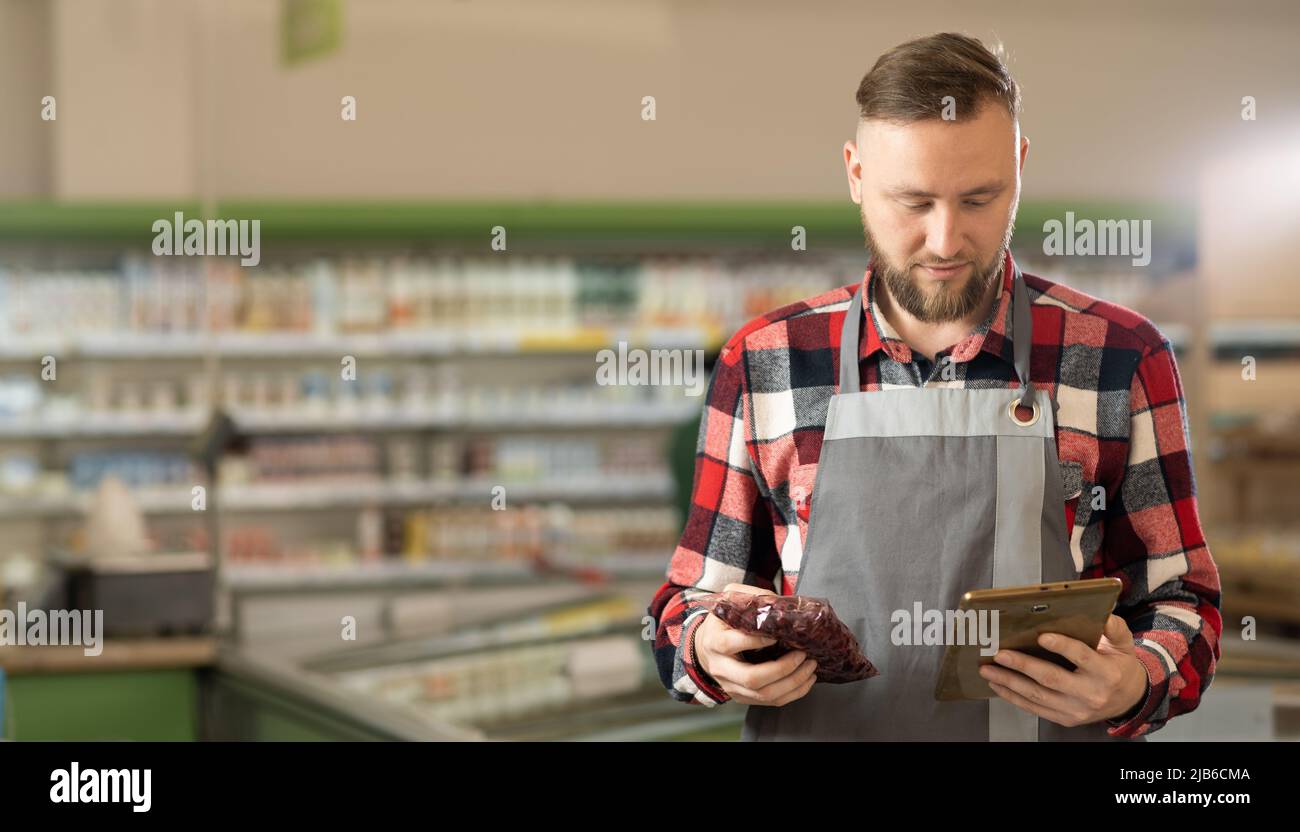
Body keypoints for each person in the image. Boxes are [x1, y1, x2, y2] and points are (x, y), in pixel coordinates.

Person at [646, 32, 1221, 741]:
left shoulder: (1122, 357)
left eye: (979, 198)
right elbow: (683, 607)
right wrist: (708, 649)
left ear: (1020, 165)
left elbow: (1183, 601)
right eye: (912, 203)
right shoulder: (765, 361)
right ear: (856, 175)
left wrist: (1138, 679)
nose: (946, 241)